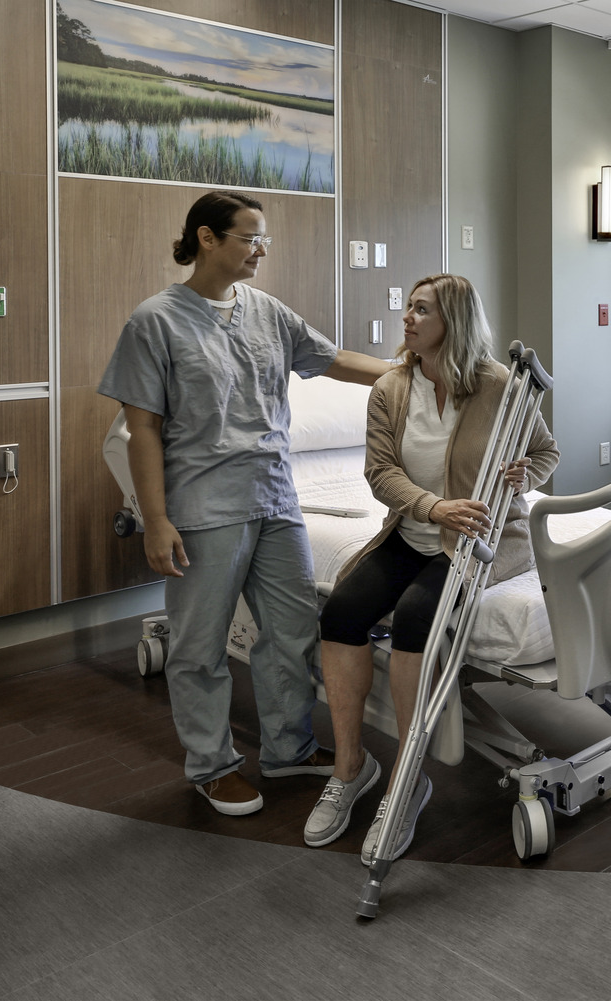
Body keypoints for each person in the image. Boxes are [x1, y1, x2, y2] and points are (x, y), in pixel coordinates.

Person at [98, 190, 391, 816]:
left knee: (290, 632)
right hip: (205, 507)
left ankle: (289, 748)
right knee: (199, 647)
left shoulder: (266, 312)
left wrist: (411, 369)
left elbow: (333, 358)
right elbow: (141, 428)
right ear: (207, 238)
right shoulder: (156, 320)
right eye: (250, 237)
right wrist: (155, 520)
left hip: (277, 500)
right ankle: (211, 764)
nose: (261, 250)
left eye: (264, 238)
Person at [305, 273, 559, 863]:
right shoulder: (391, 389)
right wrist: (432, 505)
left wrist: (528, 473)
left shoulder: (502, 386)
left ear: (454, 321)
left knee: (419, 614)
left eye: (422, 310)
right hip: (411, 532)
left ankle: (405, 781)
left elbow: (548, 450)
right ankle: (350, 768)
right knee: (342, 613)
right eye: (408, 309)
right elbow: (380, 474)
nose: (408, 319)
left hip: (475, 540)